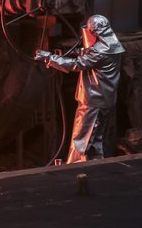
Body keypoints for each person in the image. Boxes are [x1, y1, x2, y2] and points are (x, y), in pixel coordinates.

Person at [35, 14, 125, 163]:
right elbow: (90, 59)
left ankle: (74, 171)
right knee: (95, 140)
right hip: (105, 100)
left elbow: (76, 65)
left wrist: (48, 57)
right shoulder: (113, 46)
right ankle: (95, 169)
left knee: (81, 141)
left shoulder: (99, 52)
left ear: (95, 32)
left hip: (93, 102)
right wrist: (80, 52)